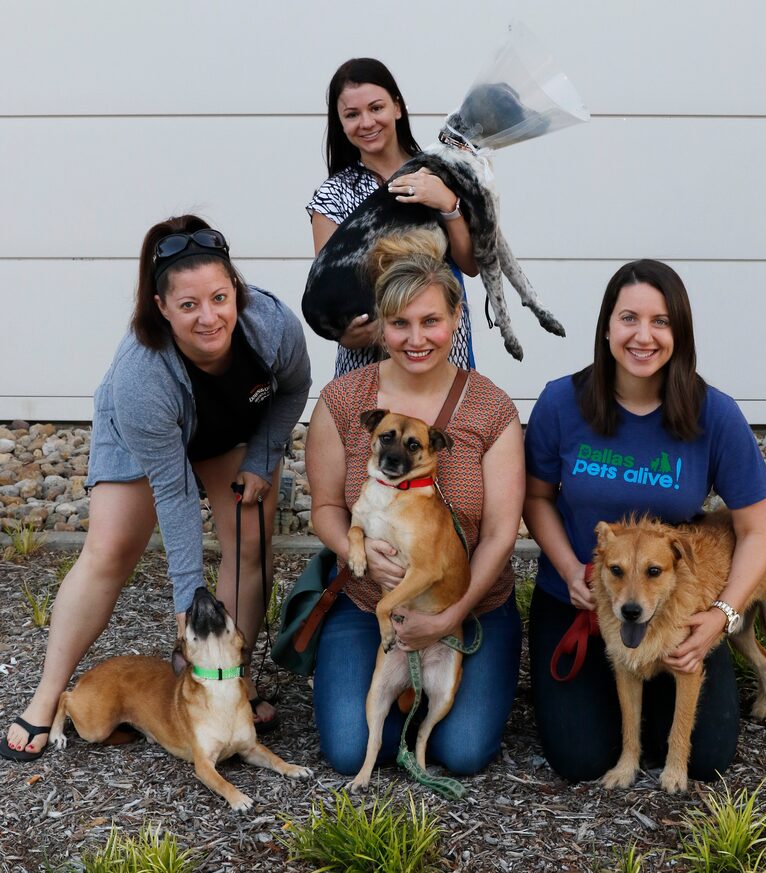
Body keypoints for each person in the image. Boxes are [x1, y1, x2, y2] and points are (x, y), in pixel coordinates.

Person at [1, 215, 311, 761]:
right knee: (109, 549)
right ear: (161, 307)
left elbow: (294, 389)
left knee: (249, 538)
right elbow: (173, 493)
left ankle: (233, 681)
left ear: (235, 290)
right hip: (146, 434)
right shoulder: (141, 373)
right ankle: (49, 694)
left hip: (231, 431)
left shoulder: (273, 325)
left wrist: (263, 457)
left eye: (219, 297)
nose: (209, 317)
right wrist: (187, 602)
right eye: (188, 305)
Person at [523, 259, 766, 783]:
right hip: (580, 603)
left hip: (675, 604)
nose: (644, 336)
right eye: (629, 319)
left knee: (705, 758)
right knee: (581, 758)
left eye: (661, 322)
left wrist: (722, 616)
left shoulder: (715, 415)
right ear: (607, 327)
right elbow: (537, 499)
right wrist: (572, 569)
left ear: (679, 331)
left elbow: (757, 529)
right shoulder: (560, 403)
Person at [305, 228, 523, 776]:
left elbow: (500, 533)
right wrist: (354, 551)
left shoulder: (491, 408)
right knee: (352, 751)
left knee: (463, 752)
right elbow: (327, 508)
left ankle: (426, 704)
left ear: (456, 320)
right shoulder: (343, 401)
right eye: (400, 323)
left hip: (470, 603)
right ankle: (394, 699)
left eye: (431, 321)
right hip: (368, 602)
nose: (416, 338)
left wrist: (451, 613)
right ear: (380, 326)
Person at [306, 57, 478, 376]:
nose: (367, 122)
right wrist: (346, 334)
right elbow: (331, 290)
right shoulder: (331, 195)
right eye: (352, 115)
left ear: (397, 107)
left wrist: (447, 202)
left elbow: (471, 264)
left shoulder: (438, 172)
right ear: (340, 124)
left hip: (439, 349)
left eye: (376, 107)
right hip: (368, 365)